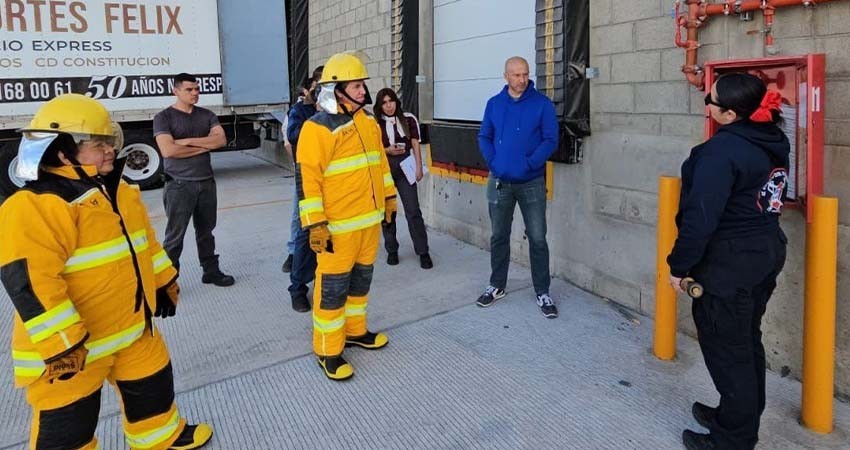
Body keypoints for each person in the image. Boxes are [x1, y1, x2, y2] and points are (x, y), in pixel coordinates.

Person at [0, 94, 213, 449]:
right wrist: (61, 345)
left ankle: (161, 437)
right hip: (74, 350)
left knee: (154, 391)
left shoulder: (121, 192)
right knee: (68, 428)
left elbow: (146, 245)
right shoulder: (35, 206)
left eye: (109, 142)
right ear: (62, 151)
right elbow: (29, 282)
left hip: (133, 329)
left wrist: (164, 281)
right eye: (97, 145)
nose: (110, 150)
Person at [667, 73, 789, 450]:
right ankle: (737, 414)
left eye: (711, 100)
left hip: (729, 266)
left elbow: (700, 218)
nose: (707, 102)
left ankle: (733, 439)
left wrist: (679, 266)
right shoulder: (772, 140)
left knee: (727, 350)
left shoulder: (720, 153)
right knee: (745, 340)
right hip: (764, 254)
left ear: (731, 114)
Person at [296, 52, 397, 381]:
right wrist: (315, 223)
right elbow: (308, 180)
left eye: (361, 84)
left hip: (368, 224)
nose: (362, 90)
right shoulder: (316, 129)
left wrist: (390, 197)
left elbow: (380, 164)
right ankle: (327, 350)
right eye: (355, 85)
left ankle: (356, 331)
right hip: (336, 229)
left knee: (359, 284)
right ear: (336, 89)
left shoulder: (367, 122)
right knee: (332, 290)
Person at [475, 56, 559, 319]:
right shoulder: (494, 104)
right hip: (499, 181)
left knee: (537, 238)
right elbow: (484, 136)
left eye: (525, 74)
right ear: (506, 76)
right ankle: (497, 285)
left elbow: (550, 139)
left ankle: (542, 291)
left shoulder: (542, 105)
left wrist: (530, 162)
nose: (522, 80)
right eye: (516, 75)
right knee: (499, 236)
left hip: (531, 182)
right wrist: (494, 161)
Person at [154, 73, 234, 287]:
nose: (195, 93)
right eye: (189, 89)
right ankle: (167, 281)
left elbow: (221, 140)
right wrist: (204, 145)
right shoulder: (164, 118)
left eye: (197, 89)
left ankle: (211, 271)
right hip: (179, 185)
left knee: (206, 232)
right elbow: (168, 150)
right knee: (174, 237)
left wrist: (188, 142)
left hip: (206, 183)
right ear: (176, 91)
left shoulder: (207, 115)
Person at [374, 88, 433, 269]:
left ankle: (423, 251)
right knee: (388, 212)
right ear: (379, 105)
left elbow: (415, 143)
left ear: (396, 101)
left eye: (390, 101)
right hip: (385, 168)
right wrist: (387, 150)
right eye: (384, 102)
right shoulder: (374, 124)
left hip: (405, 167)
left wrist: (418, 166)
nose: (388, 105)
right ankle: (392, 250)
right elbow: (373, 149)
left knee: (413, 210)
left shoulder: (408, 118)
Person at [287, 66, 324, 312]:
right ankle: (298, 288)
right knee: (305, 234)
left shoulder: (341, 112)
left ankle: (323, 281)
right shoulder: (301, 111)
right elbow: (293, 136)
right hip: (309, 177)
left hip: (333, 179)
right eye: (318, 87)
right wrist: (318, 115)